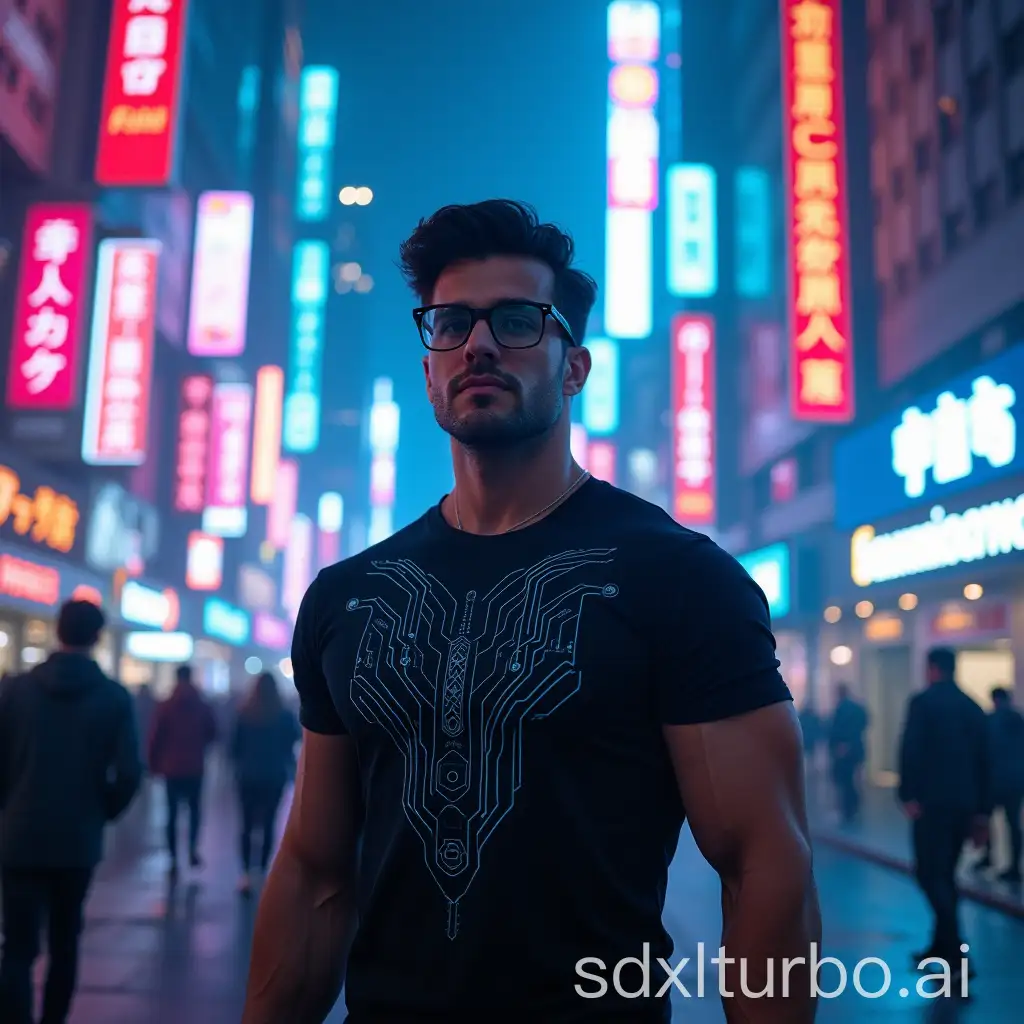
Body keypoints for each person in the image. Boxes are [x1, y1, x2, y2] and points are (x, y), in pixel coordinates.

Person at [241, 200, 819, 1023]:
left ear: (574, 367)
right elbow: (314, 868)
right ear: (429, 363)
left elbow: (766, 865)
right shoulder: (347, 594)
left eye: (517, 321)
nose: (478, 343)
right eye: (451, 323)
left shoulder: (680, 579)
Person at [0, 600, 142, 1024]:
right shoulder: (114, 697)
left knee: (18, 947)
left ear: (57, 630)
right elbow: (130, 771)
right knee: (65, 943)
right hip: (77, 840)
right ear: (97, 637)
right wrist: (102, 811)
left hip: (19, 835)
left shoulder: (15, 691)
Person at [898, 647, 990, 973]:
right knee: (946, 874)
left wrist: (908, 794)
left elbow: (911, 749)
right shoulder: (972, 707)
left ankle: (956, 952)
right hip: (964, 804)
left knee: (929, 874)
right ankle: (941, 947)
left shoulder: (923, 703)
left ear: (932, 668)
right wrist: (982, 812)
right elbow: (984, 761)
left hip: (931, 804)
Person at [231, 672, 300, 894]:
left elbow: (233, 748)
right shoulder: (284, 716)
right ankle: (261, 870)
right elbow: (293, 742)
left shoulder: (244, 714)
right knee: (269, 824)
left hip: (248, 777)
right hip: (274, 776)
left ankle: (245, 873)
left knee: (247, 825)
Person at [148, 664, 218, 880]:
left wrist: (153, 764)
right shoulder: (202, 704)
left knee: (172, 813)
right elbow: (213, 733)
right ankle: (192, 851)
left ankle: (172, 858)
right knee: (195, 811)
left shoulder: (166, 705)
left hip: (171, 768)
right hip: (195, 767)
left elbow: (155, 736)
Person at [976, 687, 1024, 882]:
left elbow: (983, 752)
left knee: (987, 820)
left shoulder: (989, 721)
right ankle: (1014, 866)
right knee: (1013, 823)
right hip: (1015, 780)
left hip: (993, 780)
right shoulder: (1018, 720)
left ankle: (989, 857)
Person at [827, 682, 868, 822]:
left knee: (845, 781)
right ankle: (852, 806)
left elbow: (837, 729)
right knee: (850, 779)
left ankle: (848, 809)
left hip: (844, 750)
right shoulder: (857, 708)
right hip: (856, 749)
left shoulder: (842, 709)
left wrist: (842, 745)